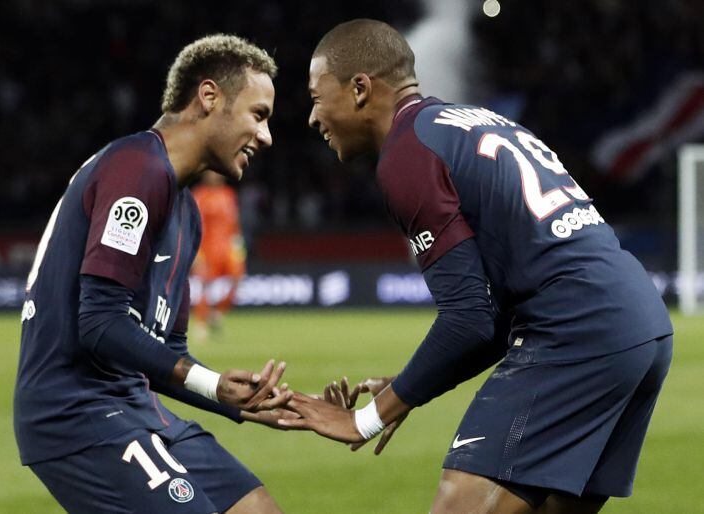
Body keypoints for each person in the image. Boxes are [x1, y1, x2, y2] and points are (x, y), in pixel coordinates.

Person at [280, 19, 674, 514]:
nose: (312, 117)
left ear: (360, 88)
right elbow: (489, 322)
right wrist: (408, 386)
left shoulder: (407, 155)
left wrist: (367, 419)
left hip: (575, 329)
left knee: (459, 506)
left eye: (316, 97)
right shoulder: (472, 121)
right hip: (641, 323)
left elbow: (467, 321)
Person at [14, 34, 293, 514]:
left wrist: (237, 400)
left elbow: (167, 354)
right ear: (209, 97)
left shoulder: (187, 212)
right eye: (259, 115)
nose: (266, 136)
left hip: (131, 402)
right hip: (75, 409)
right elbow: (99, 322)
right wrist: (210, 383)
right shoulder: (137, 168)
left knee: (257, 507)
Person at [191, 170, 247, 341]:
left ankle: (217, 313)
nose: (215, 176)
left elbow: (234, 222)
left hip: (227, 248)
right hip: (207, 248)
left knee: (238, 278)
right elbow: (194, 225)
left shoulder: (228, 193)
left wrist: (238, 244)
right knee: (204, 285)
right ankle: (201, 325)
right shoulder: (199, 195)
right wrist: (196, 252)